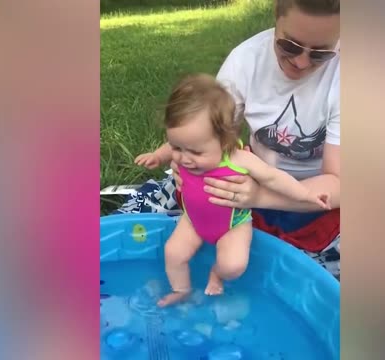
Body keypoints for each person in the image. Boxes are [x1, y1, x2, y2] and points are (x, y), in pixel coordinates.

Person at [135, 74, 331, 306]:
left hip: (232, 225)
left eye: (196, 152)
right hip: (193, 220)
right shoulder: (188, 144)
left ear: (224, 140)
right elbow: (171, 146)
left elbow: (275, 178)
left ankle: (216, 273)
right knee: (173, 253)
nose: (184, 159)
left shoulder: (238, 159)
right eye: (178, 148)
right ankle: (181, 290)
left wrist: (306, 195)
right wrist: (158, 156)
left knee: (233, 266)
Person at [176, 0, 341, 274]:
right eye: (289, 46)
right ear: (276, 16)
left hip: (317, 197)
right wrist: (186, 157)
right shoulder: (246, 60)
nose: (301, 62)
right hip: (254, 176)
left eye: (320, 54)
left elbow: (339, 184)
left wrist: (261, 196)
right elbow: (209, 136)